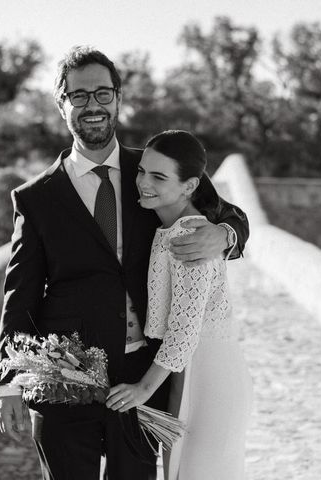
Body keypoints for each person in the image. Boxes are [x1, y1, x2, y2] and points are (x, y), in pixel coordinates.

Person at [0, 46, 249, 480]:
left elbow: (231, 215)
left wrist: (224, 235)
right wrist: (7, 381)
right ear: (61, 104)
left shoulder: (153, 170)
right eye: (78, 96)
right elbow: (20, 295)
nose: (92, 105)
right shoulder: (35, 198)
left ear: (118, 98)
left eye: (102, 93)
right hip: (65, 379)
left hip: (143, 376)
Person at [106, 130, 253, 480]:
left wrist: (142, 390)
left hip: (210, 378)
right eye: (142, 171)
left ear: (189, 186)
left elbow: (183, 333)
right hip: (184, 375)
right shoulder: (167, 227)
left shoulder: (192, 238)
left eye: (159, 177)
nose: (142, 182)